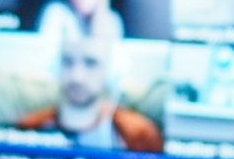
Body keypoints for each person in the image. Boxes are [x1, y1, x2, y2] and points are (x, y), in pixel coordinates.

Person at [16, 32, 164, 152]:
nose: (76, 76)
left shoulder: (140, 134)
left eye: (91, 63)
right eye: (67, 62)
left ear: (111, 71)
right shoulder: (30, 126)